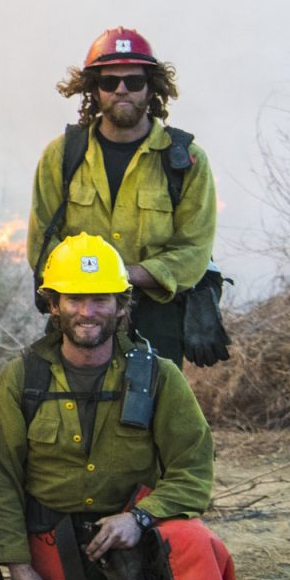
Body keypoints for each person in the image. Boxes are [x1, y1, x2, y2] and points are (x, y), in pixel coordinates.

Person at [0, 234, 227, 580]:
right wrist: (18, 567)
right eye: (75, 298)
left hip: (133, 529)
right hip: (58, 537)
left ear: (120, 306)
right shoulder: (22, 378)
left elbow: (194, 470)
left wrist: (140, 518)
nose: (87, 312)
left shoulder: (159, 376)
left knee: (198, 544)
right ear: (53, 305)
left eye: (100, 300)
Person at [27, 28, 223, 366]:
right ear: (93, 89)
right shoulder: (61, 156)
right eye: (109, 82)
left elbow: (193, 251)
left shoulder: (186, 161)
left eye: (133, 81)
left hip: (156, 318)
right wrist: (88, 287)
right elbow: (41, 245)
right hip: (78, 315)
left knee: (147, 415)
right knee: (67, 413)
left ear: (151, 87)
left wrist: (121, 275)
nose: (121, 90)